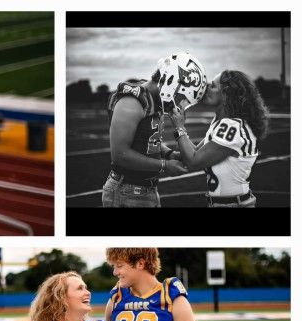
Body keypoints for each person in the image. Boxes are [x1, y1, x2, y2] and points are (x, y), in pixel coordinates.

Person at [102, 52, 206, 207]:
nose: (179, 103)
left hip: (146, 190)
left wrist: (170, 154)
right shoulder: (132, 102)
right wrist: (164, 165)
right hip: (126, 191)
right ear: (171, 82)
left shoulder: (153, 98)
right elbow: (120, 155)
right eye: (180, 96)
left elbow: (149, 140)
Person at [169, 70, 269, 207]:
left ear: (227, 94)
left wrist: (179, 127)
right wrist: (167, 152)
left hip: (233, 204)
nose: (207, 88)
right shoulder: (221, 122)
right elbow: (195, 153)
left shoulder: (232, 126)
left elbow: (193, 161)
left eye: (213, 86)